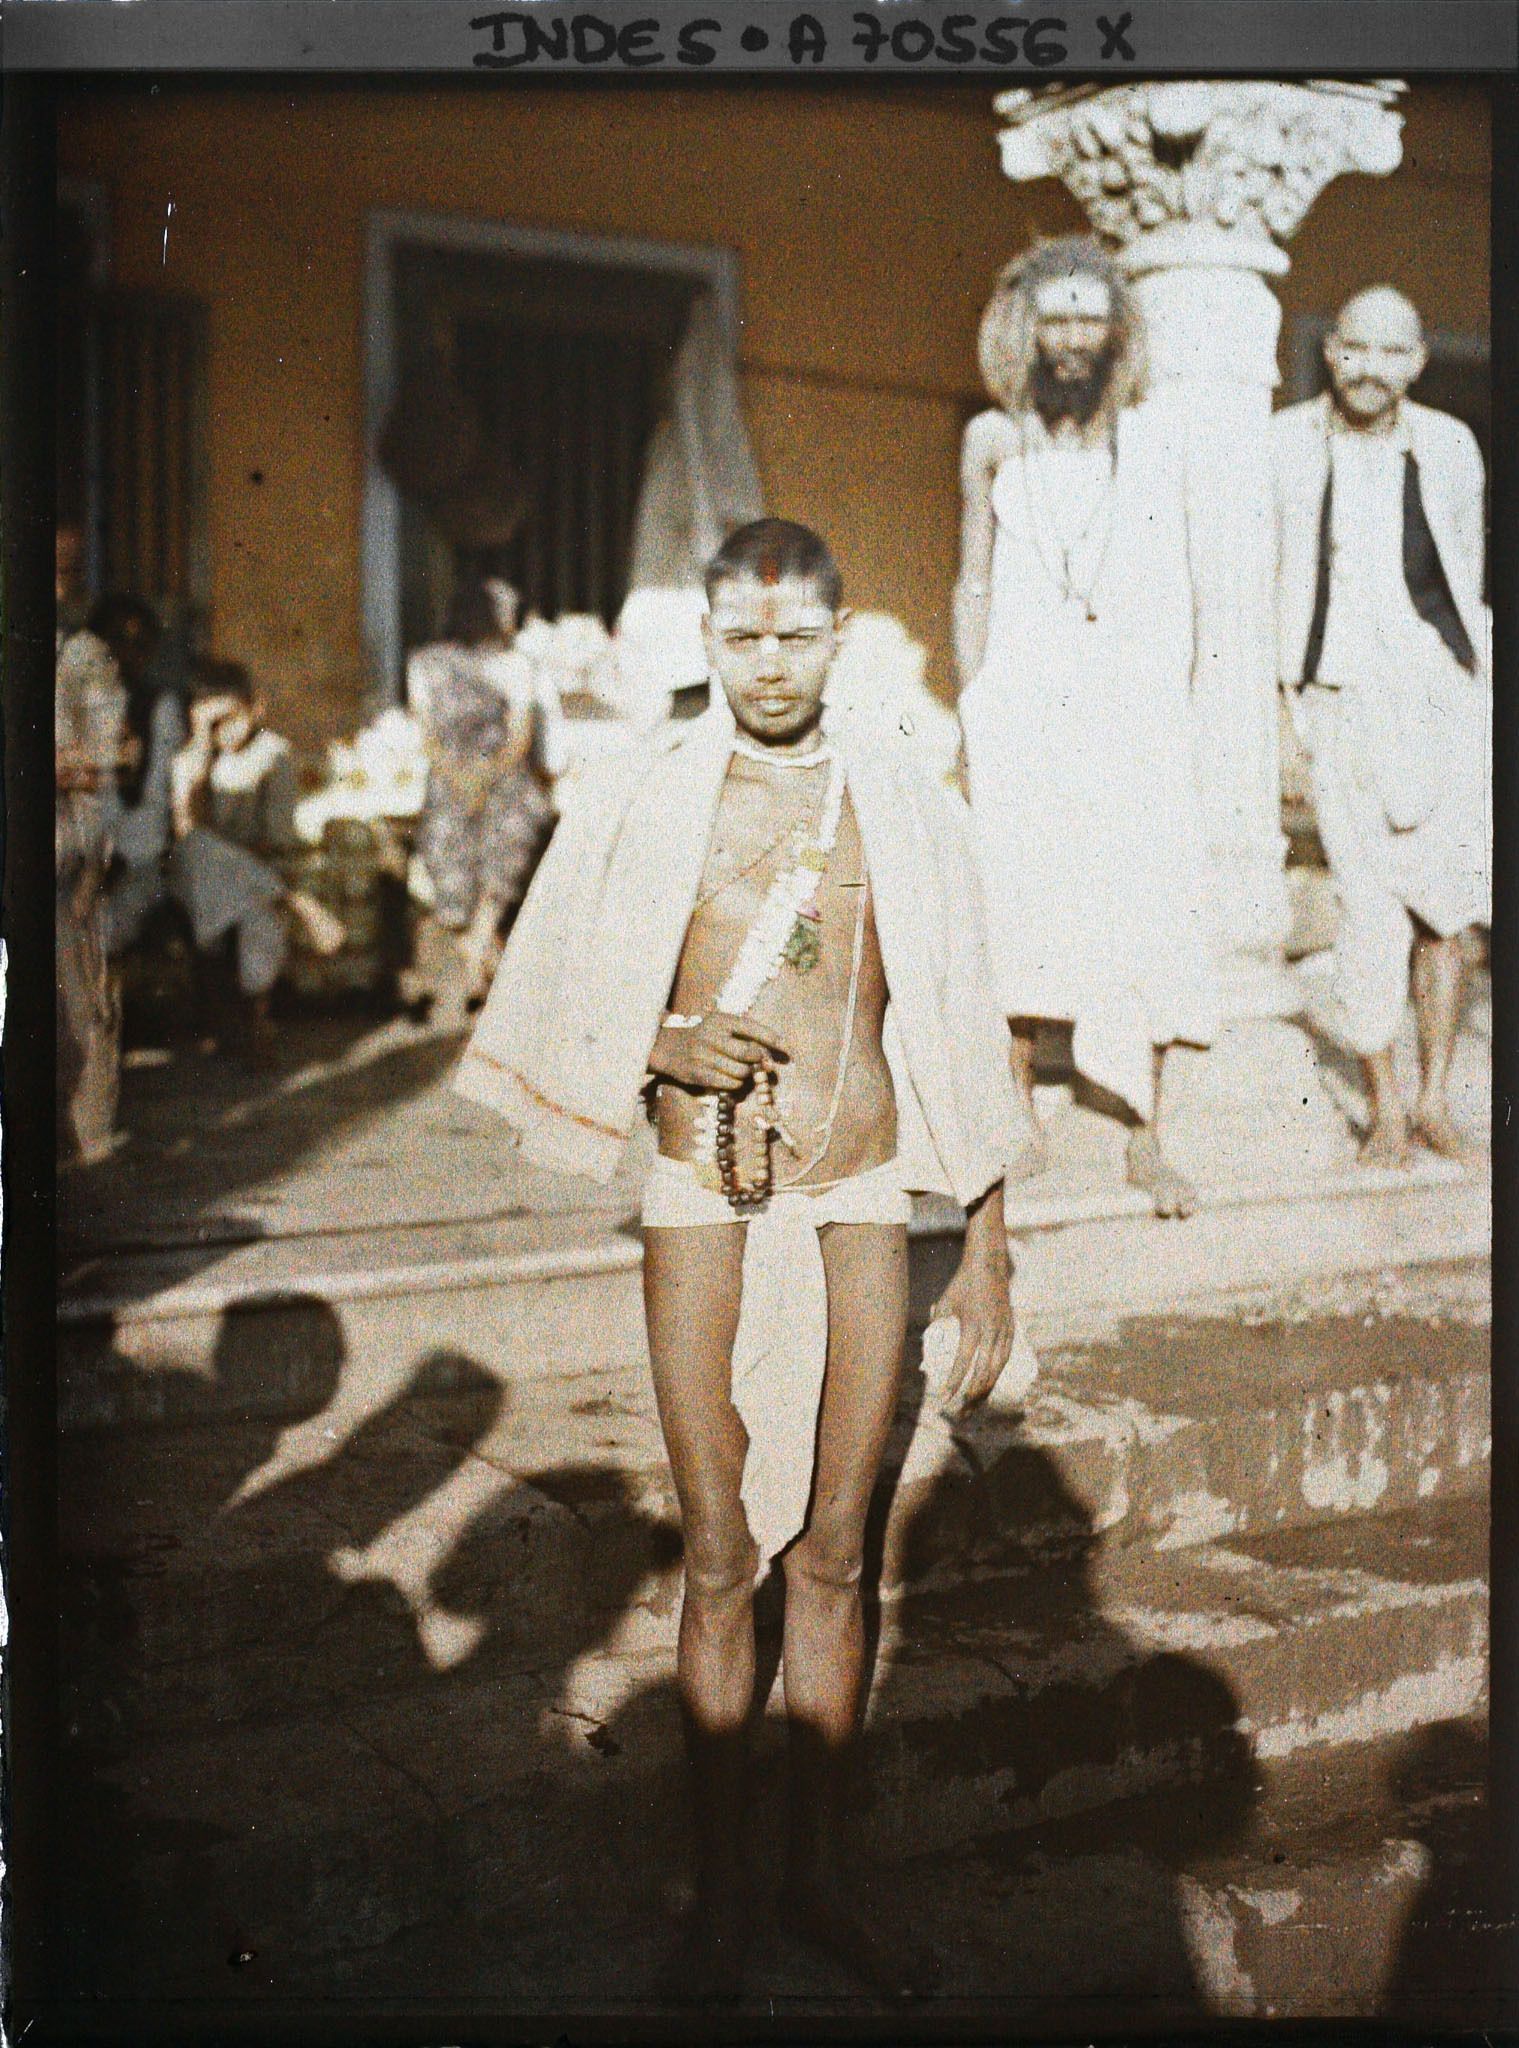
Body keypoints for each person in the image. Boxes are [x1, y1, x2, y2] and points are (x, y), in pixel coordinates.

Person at [456, 519, 1018, 1999]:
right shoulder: (639, 790)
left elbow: (959, 1011)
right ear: (704, 641)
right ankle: (714, 1907)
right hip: (697, 1189)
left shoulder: (901, 794)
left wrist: (991, 1252)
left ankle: (820, 1884)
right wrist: (662, 1036)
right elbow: (556, 989)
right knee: (716, 1556)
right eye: (738, 639)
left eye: (793, 638)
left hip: (860, 1189)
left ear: (839, 636)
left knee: (836, 1553)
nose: (767, 665)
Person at [954, 237, 1220, 1218]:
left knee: (1151, 896)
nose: (1070, 339)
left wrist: (1173, 707)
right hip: (1023, 695)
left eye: (1086, 317)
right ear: (1026, 327)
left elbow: (1183, 584)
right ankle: (1015, 1110)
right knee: (1018, 893)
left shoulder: (1153, 438)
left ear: (1116, 330)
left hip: (1129, 698)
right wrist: (973, 698)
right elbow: (971, 574)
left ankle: (1149, 1137)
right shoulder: (991, 437)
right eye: (1053, 318)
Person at [1272, 286, 1490, 1165]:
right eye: (1354, 349)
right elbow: (1265, 581)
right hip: (1336, 705)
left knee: (1450, 912)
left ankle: (1436, 1100)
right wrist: (1279, 717)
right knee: (1366, 912)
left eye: (1392, 352)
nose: (1370, 369)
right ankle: (1386, 1108)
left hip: (1438, 697)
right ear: (1330, 353)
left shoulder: (1448, 446)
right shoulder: (1282, 445)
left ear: (1417, 362)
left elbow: (1464, 568)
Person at [170, 660, 339, 1059]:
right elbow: (186, 831)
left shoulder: (273, 755)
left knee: (255, 910)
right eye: (210, 723)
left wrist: (236, 860)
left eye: (229, 719)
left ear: (255, 708)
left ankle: (259, 1019)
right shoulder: (189, 760)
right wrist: (200, 749)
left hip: (254, 874)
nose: (222, 732)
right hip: (200, 875)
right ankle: (295, 902)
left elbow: (277, 837)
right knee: (199, 851)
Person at [406, 576, 556, 1008]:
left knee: (505, 850)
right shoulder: (428, 662)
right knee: (451, 858)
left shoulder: (514, 664)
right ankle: (483, 954)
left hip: (499, 779)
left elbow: (519, 737)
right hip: (455, 778)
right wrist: (463, 778)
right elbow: (429, 734)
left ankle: (476, 952)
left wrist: (478, 778)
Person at [56, 546, 131, 1163]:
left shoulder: (81, 657)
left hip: (65, 854)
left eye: (66, 578)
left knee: (81, 1009)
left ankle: (90, 1144)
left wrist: (93, 870)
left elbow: (108, 761)